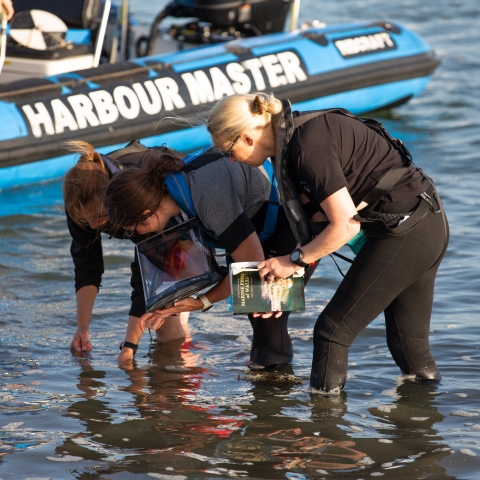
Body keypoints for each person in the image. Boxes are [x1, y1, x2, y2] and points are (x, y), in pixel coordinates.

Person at [205, 92, 449, 393]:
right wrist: (281, 286)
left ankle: (326, 431)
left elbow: (345, 226)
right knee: (407, 346)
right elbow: (316, 227)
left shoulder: (306, 146)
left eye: (228, 151)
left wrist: (292, 261)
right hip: (420, 224)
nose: (230, 160)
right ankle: (423, 431)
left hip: (408, 231)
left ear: (246, 138)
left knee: (332, 331)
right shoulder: (288, 142)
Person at [104, 144, 318, 369]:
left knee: (266, 317)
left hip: (290, 214)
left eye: (133, 229)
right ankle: (270, 388)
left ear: (146, 215)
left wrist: (201, 302)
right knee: (256, 315)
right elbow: (198, 272)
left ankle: (275, 393)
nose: (135, 236)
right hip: (256, 225)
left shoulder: (204, 194)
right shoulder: (171, 200)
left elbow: (250, 265)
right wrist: (166, 309)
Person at [63, 140, 190, 364]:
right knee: (161, 320)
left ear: (112, 202)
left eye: (100, 217)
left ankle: (187, 368)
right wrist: (82, 328)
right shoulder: (79, 202)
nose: (94, 227)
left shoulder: (131, 196)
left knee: (165, 330)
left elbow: (144, 276)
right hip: (149, 226)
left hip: (178, 222)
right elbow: (86, 266)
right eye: (86, 220)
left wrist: (129, 346)